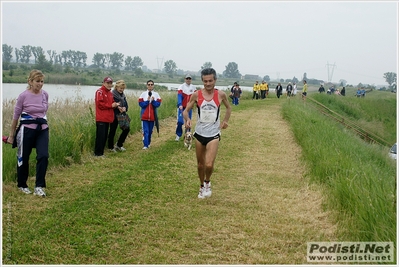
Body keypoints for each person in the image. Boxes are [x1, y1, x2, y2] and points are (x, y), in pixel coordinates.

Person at [183, 68, 232, 199]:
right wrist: (187, 120)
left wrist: (226, 121)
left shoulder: (221, 95)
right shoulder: (196, 95)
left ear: (215, 80)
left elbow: (229, 108)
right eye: (205, 81)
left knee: (209, 164)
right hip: (199, 134)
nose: (208, 84)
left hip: (214, 134)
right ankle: (201, 186)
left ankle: (207, 182)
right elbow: (185, 111)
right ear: (202, 81)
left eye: (210, 81)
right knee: (200, 164)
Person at [7, 69, 49, 196]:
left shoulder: (45, 94)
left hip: (42, 129)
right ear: (30, 81)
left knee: (43, 156)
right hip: (27, 129)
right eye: (37, 81)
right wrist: (11, 135)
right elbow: (16, 116)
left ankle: (39, 186)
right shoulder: (23, 96)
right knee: (23, 157)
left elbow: (43, 112)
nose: (40, 84)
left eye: (42, 81)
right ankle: (22, 184)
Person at [94, 76, 120, 157]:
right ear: (103, 83)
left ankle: (101, 153)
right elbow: (100, 104)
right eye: (107, 83)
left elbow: (112, 103)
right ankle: (97, 154)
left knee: (104, 136)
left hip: (108, 118)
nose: (109, 85)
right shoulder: (100, 92)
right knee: (100, 136)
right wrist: (111, 105)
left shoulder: (110, 93)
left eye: (110, 83)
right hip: (101, 118)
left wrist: (116, 105)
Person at [138, 80, 162, 150]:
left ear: (153, 85)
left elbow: (158, 104)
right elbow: (141, 104)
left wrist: (153, 101)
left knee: (150, 131)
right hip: (144, 116)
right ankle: (145, 145)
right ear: (147, 85)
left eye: (151, 84)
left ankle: (148, 143)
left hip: (152, 117)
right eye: (149, 84)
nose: (150, 86)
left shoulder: (156, 94)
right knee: (146, 131)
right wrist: (147, 101)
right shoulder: (143, 94)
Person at [108, 80, 130, 152]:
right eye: (120, 88)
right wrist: (117, 107)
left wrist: (125, 108)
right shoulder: (111, 94)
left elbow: (126, 105)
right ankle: (110, 147)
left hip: (122, 115)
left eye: (123, 88)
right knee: (112, 131)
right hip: (114, 115)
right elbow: (110, 105)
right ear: (116, 87)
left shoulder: (123, 95)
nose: (122, 90)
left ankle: (119, 144)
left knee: (126, 129)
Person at [175, 74, 196, 141]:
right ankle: (178, 135)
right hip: (182, 108)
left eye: (189, 79)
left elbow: (195, 97)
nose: (188, 80)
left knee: (188, 122)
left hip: (189, 108)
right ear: (185, 79)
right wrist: (180, 104)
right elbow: (179, 96)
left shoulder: (193, 88)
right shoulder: (181, 87)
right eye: (187, 79)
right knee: (180, 121)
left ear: (191, 80)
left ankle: (188, 135)